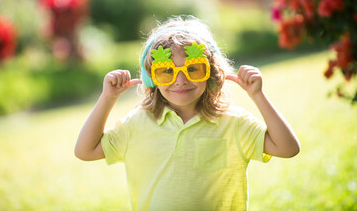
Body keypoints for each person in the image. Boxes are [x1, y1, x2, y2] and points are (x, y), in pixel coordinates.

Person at [75, 15, 300, 211]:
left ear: (211, 73)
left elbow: (288, 148)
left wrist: (257, 95)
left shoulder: (233, 121)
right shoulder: (136, 123)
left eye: (193, 68)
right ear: (150, 79)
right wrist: (108, 98)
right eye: (166, 72)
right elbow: (85, 150)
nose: (181, 80)